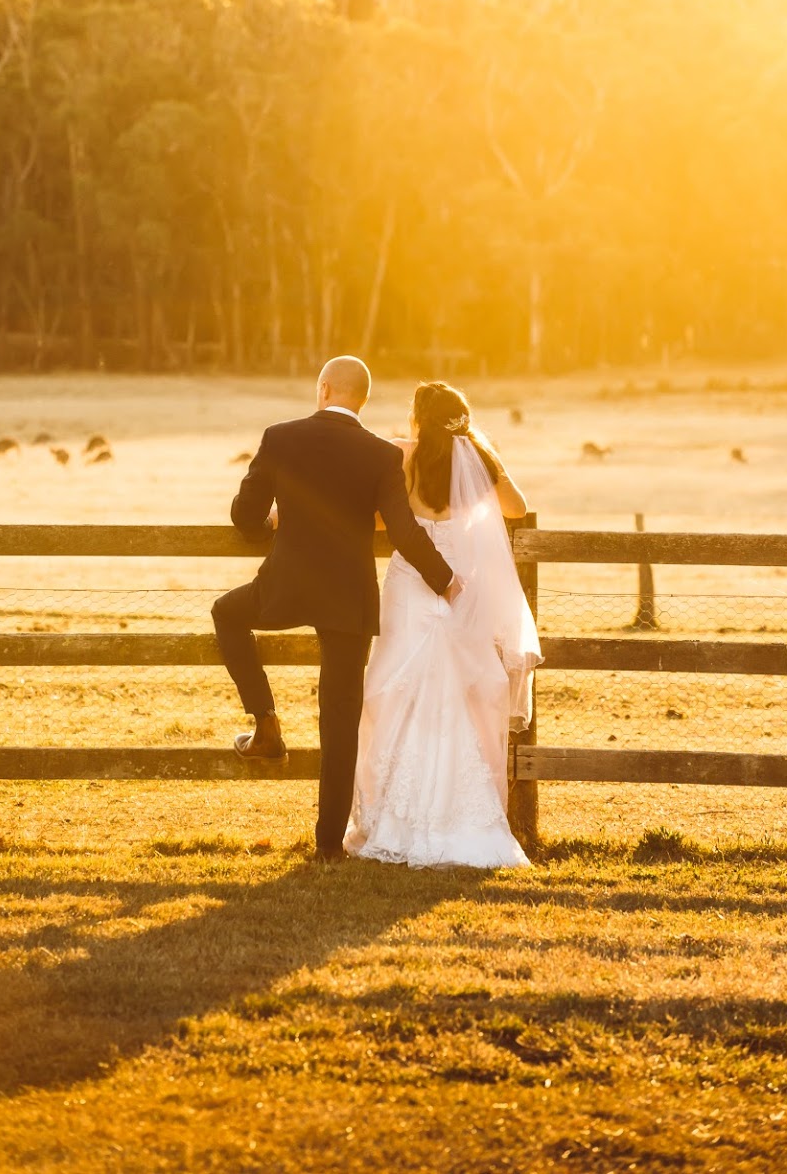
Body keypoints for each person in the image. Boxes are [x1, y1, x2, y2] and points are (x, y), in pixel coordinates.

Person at [212, 356, 462, 863]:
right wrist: (446, 579)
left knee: (227, 613)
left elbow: (244, 515)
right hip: (348, 596)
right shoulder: (379, 455)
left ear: (324, 389)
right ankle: (328, 844)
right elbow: (402, 531)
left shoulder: (280, 437)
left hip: (286, 585)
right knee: (341, 715)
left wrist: (270, 525)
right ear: (362, 400)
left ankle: (265, 723)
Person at [344, 380, 541, 869]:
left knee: (395, 691)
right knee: (459, 695)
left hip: (412, 584)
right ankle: (461, 817)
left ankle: (393, 818)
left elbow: (381, 519)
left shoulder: (404, 459)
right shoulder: (476, 460)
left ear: (419, 418)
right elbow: (516, 507)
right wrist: (482, 454)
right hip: (461, 591)